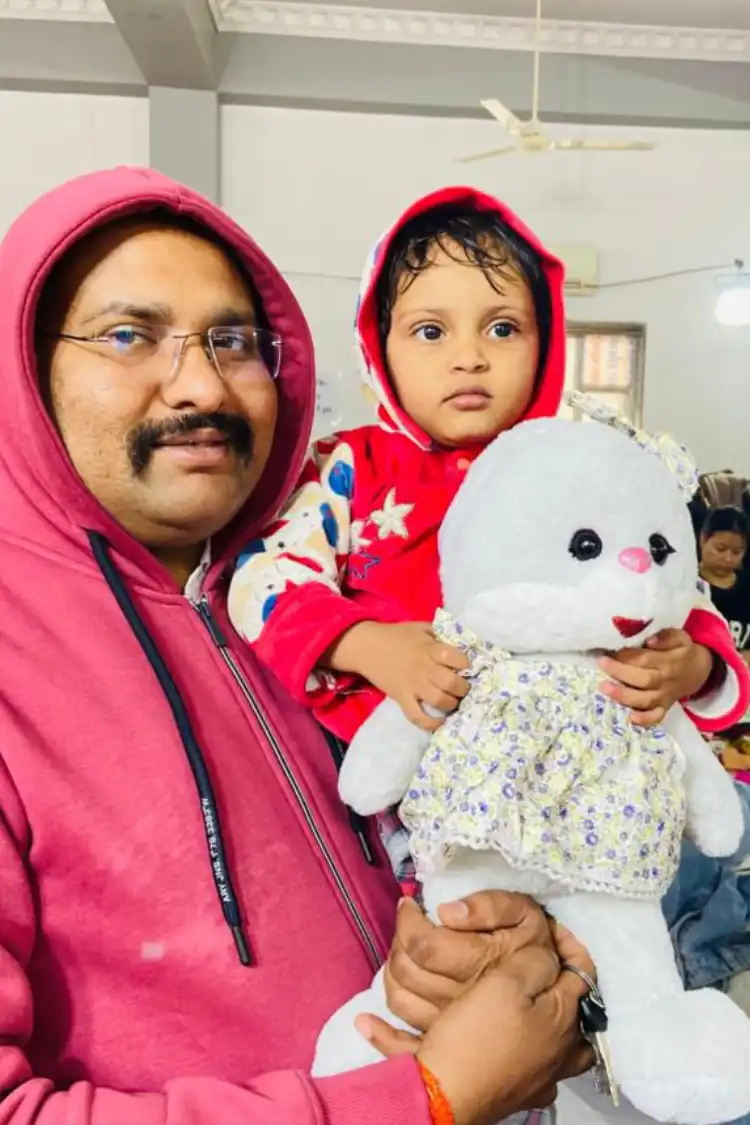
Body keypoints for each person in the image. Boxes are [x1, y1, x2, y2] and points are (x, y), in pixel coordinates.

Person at [0, 166, 597, 1125]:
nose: (201, 383)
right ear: (24, 366)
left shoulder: (295, 604)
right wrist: (425, 1098)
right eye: (128, 335)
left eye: (234, 341)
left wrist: (465, 943)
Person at [228, 187, 749, 884]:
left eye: (502, 328)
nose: (469, 356)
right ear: (378, 347)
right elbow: (264, 579)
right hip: (388, 791)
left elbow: (672, 584)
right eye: (430, 331)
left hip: (575, 789)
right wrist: (367, 643)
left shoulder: (585, 466)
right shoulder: (349, 467)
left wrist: (695, 665)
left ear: (546, 341)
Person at [700, 507, 750, 663]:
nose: (728, 558)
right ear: (703, 540)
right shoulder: (687, 584)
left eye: (736, 552)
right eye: (720, 549)